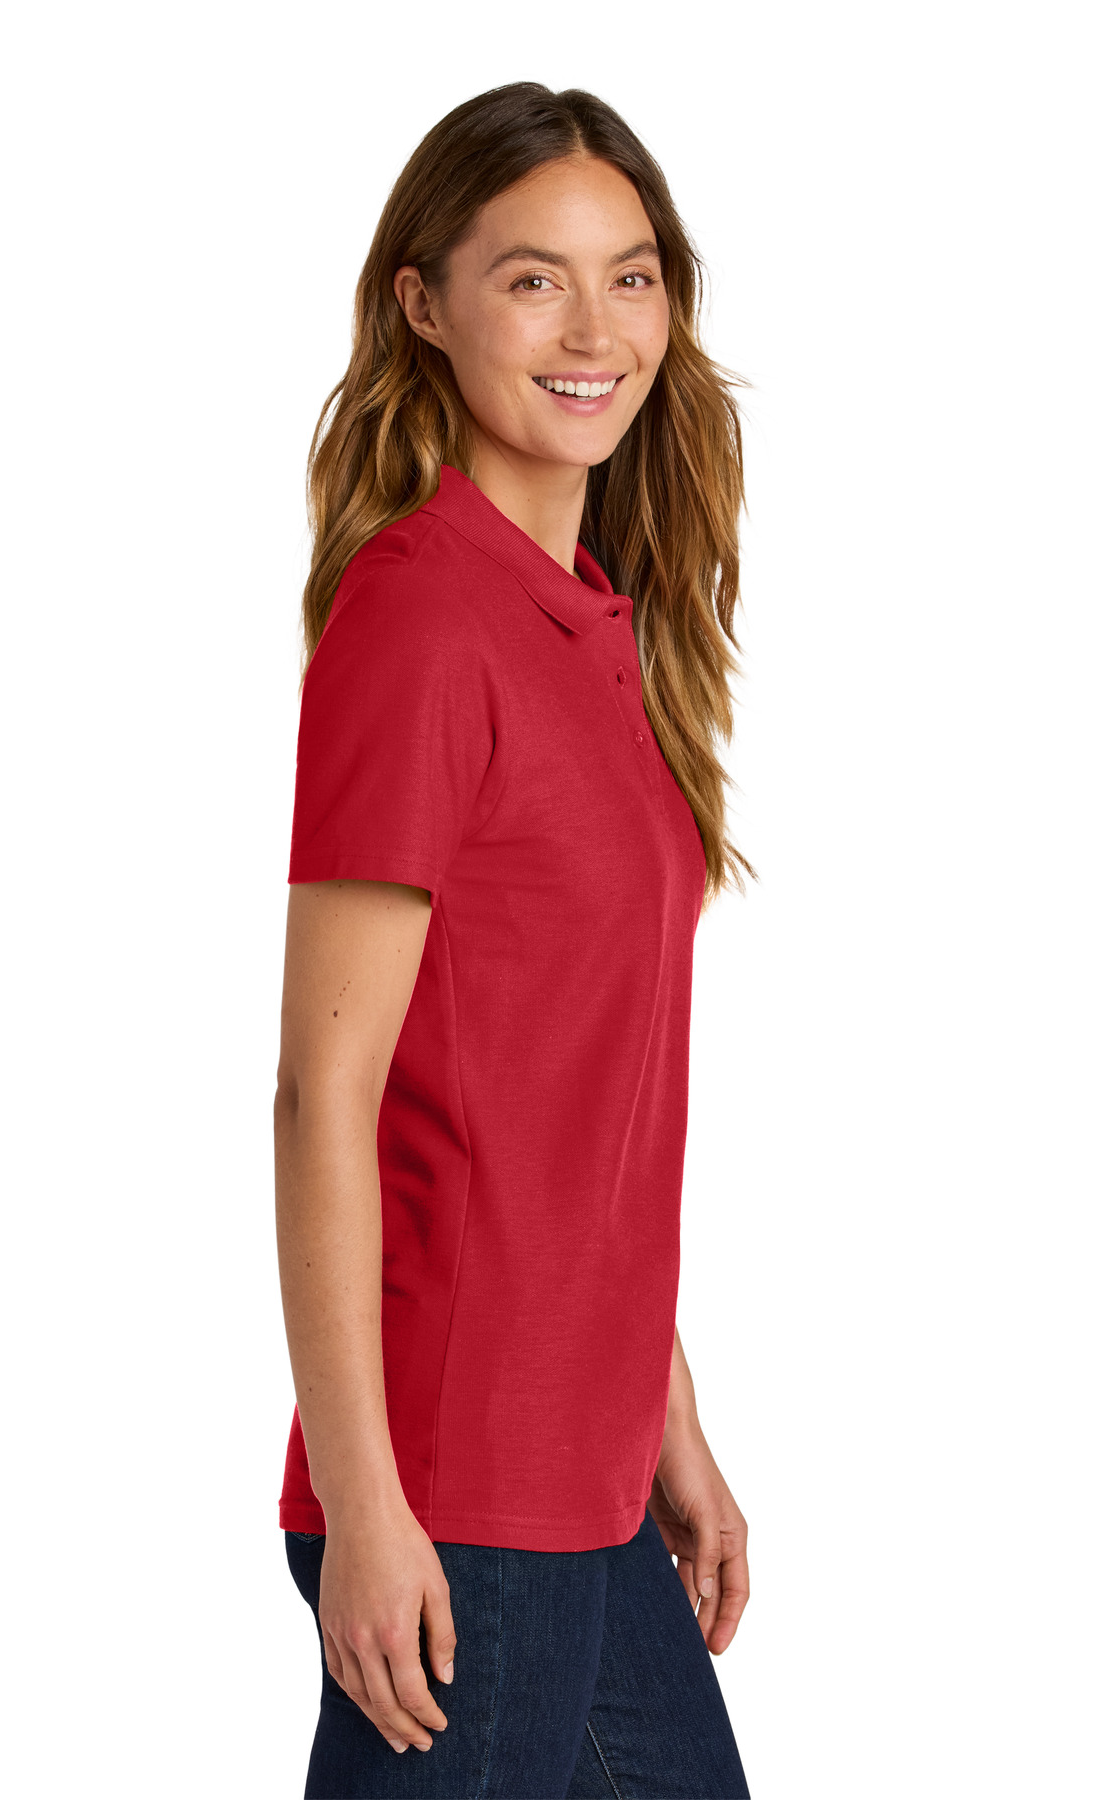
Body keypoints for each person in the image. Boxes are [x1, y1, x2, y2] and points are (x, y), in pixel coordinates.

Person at [273, 81, 755, 1799]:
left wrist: (668, 1425)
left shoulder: (594, 624)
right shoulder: (422, 616)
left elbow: (572, 1103)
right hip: (458, 1488)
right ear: (424, 303)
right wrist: (365, 1502)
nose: (594, 330)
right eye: (532, 279)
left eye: (631, 277)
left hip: (586, 1482)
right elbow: (322, 1096)